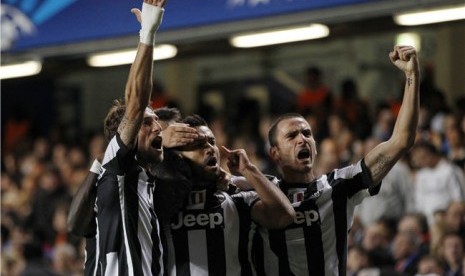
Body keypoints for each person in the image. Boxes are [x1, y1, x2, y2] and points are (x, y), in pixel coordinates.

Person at [254, 45, 421, 275]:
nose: (303, 140)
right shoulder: (257, 197)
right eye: (292, 136)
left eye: (307, 133)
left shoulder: (339, 187)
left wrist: (411, 76)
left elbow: (402, 140)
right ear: (274, 153)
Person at [165, 114, 295, 275]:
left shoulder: (237, 197)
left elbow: (284, 216)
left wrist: (249, 169)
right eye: (198, 144)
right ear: (179, 156)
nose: (210, 148)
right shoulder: (162, 202)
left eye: (212, 142)